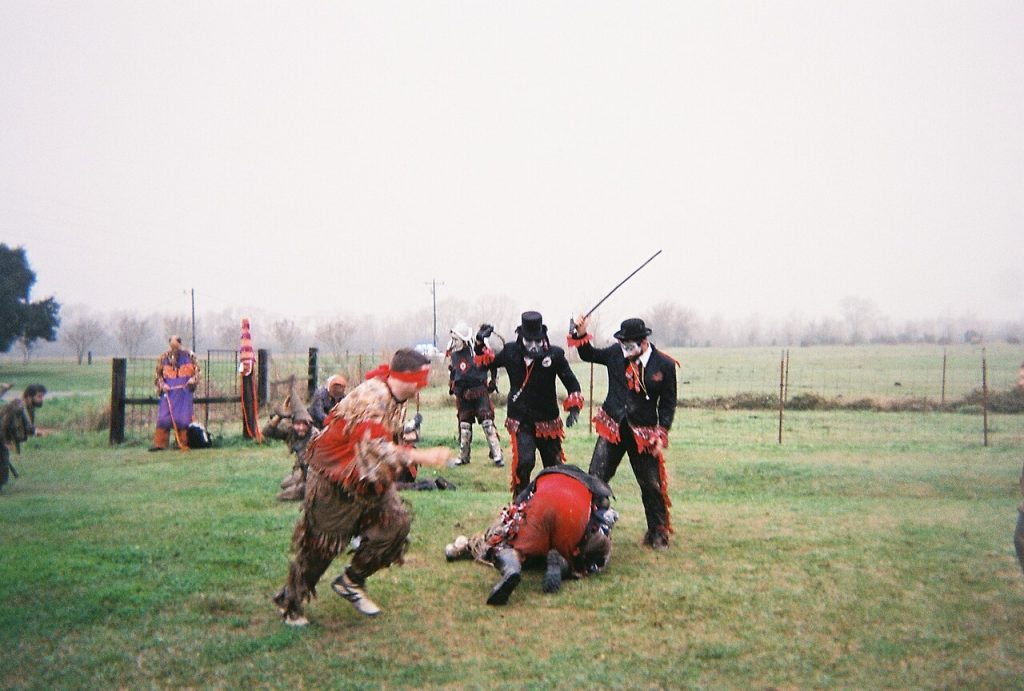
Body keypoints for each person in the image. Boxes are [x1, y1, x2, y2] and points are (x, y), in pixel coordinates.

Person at [272, 348, 455, 625]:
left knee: (396, 525)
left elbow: (382, 443)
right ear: (406, 376)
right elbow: (374, 445)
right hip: (333, 479)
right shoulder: (373, 396)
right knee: (322, 547)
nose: (423, 385)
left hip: (368, 477)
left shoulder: (398, 396)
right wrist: (422, 456)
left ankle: (351, 581)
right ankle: (290, 603)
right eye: (421, 378)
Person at [568, 316, 678, 550]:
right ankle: (591, 527)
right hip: (613, 426)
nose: (625, 348)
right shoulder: (614, 354)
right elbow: (589, 354)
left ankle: (658, 532)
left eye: (629, 344)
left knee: (651, 485)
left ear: (643, 342)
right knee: (595, 479)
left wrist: (661, 432)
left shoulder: (664, 365)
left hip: (644, 434)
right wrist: (580, 333)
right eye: (622, 343)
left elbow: (668, 403)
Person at [444, 464, 618, 605]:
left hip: (542, 506)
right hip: (574, 517)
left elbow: (519, 504)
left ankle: (512, 567)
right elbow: (603, 517)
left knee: (509, 542)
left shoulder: (544, 477)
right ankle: (564, 564)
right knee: (589, 548)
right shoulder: (590, 489)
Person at [475, 311, 584, 497]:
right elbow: (486, 363)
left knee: (555, 466)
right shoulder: (510, 352)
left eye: (537, 341)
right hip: (520, 419)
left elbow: (571, 382)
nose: (533, 346)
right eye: (529, 342)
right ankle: (520, 504)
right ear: (521, 338)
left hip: (548, 420)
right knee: (524, 462)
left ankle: (554, 501)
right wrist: (479, 342)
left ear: (543, 338)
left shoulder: (554, 355)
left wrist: (574, 408)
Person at [446, 322, 503, 467]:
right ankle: (464, 456)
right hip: (463, 395)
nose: (454, 342)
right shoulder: (453, 354)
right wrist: (452, 385)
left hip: (479, 392)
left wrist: (493, 383)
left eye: (456, 339)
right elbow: (453, 371)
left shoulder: (477, 351)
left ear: (464, 339)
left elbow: (492, 364)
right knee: (464, 426)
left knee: (487, 423)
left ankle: (497, 455)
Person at [263, 380, 317, 502]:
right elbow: (267, 432)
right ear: (293, 424)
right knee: (284, 484)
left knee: (282, 496)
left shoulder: (315, 437)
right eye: (297, 424)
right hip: (303, 473)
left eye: (304, 424)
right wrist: (281, 415)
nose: (301, 428)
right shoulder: (292, 432)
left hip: (314, 478)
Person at [150, 335, 200, 451]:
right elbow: (158, 375)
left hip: (184, 394)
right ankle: (160, 444)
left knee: (183, 420)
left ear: (180, 344)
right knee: (163, 418)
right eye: (172, 347)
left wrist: (192, 381)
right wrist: (162, 385)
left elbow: (198, 373)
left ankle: (183, 443)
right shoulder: (163, 358)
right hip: (168, 394)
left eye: (176, 347)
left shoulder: (190, 356)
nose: (174, 350)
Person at [1, 384, 47, 491]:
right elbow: (4, 424)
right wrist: (6, 441)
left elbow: (25, 423)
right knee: (3, 462)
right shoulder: (17, 407)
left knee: (3, 462)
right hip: (2, 436)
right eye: (39, 396)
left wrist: (35, 431)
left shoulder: (24, 407)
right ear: (29, 397)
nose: (41, 400)